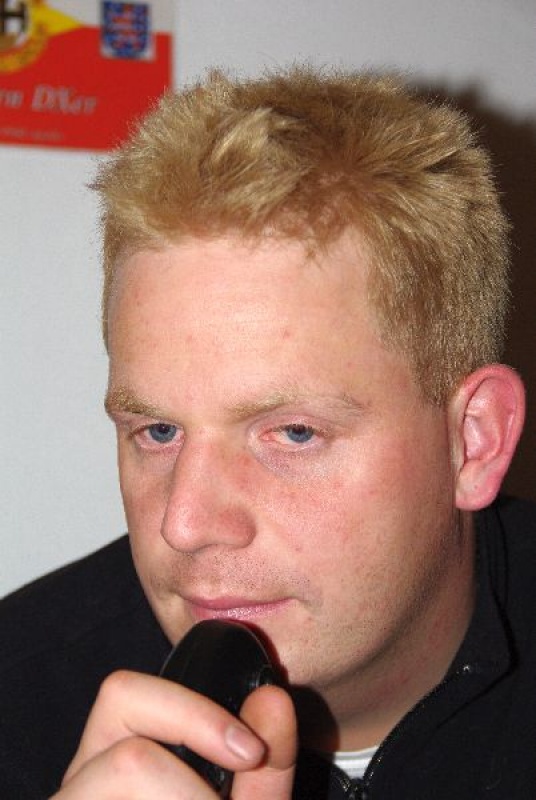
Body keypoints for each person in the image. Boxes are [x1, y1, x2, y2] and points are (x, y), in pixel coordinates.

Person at [0, 65, 532, 799]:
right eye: (158, 431)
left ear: (474, 441)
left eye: (294, 434)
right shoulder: (17, 706)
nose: (185, 525)